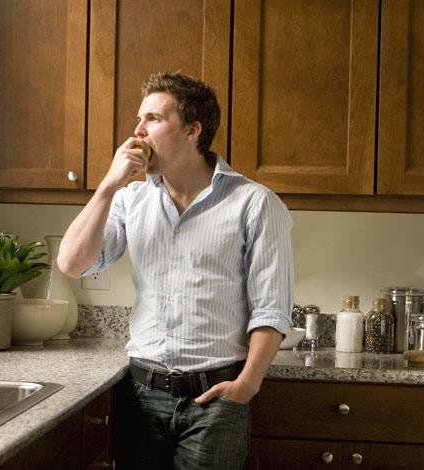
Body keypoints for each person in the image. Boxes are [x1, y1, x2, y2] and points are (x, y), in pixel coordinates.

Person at [57, 72, 294, 469]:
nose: (137, 130)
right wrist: (107, 187)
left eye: (152, 118)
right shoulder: (130, 198)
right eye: (139, 118)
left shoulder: (255, 204)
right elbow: (72, 264)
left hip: (215, 401)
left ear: (191, 131)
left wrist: (246, 385)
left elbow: (271, 308)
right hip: (139, 395)